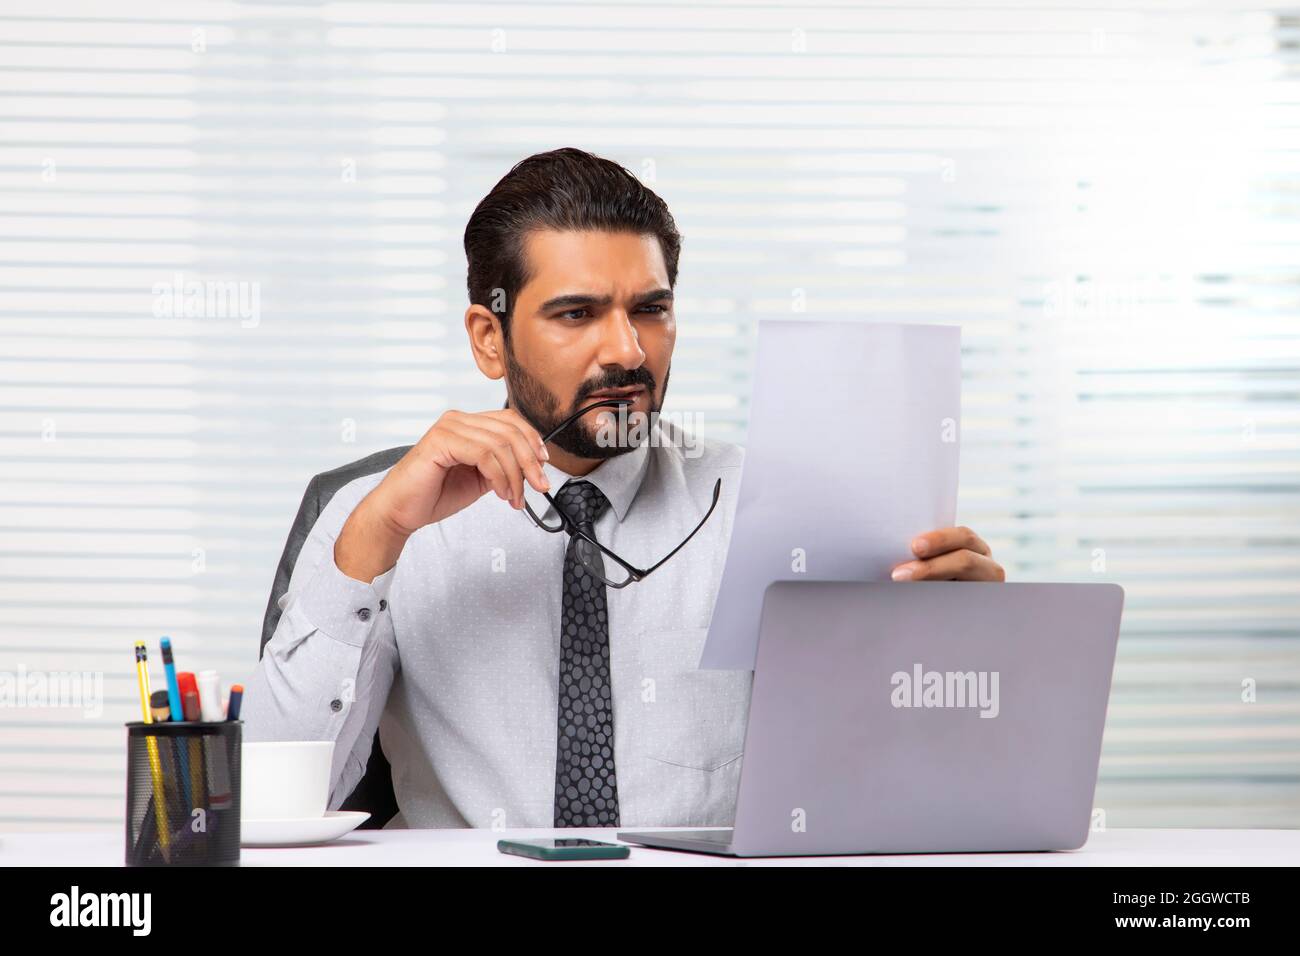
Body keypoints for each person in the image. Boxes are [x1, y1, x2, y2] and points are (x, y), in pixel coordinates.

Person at [243, 147, 1005, 829]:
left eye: (651, 308)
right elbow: (272, 808)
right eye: (577, 314)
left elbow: (901, 786)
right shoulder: (376, 517)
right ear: (489, 338)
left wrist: (958, 655)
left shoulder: (774, 508)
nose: (628, 350)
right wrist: (374, 543)